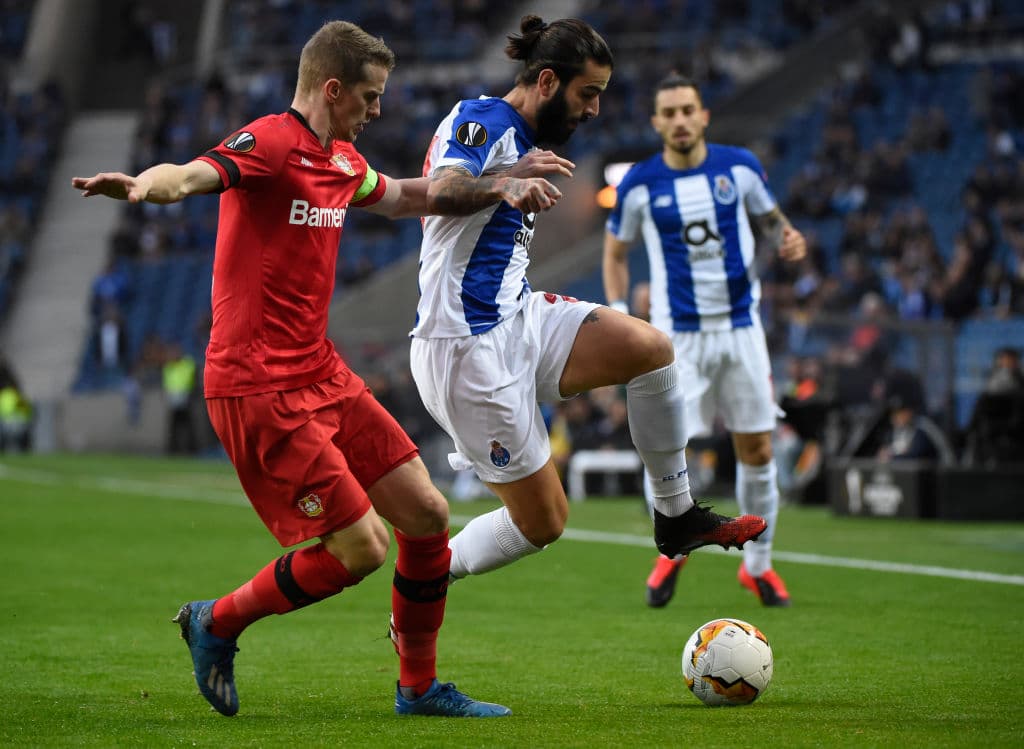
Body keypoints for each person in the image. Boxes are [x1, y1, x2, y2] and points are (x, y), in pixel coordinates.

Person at [72, 20, 566, 719]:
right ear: (332, 89)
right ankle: (216, 621)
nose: (378, 110)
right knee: (362, 546)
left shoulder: (339, 163)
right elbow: (191, 175)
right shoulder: (272, 142)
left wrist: (502, 181)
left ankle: (418, 688)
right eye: (369, 96)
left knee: (427, 514)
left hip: (318, 372)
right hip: (256, 384)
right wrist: (144, 186)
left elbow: (408, 196)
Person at [409, 17, 766, 593]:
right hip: (463, 346)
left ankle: (675, 518)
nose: (595, 110)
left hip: (517, 317)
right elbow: (442, 189)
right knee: (543, 523)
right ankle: (424, 579)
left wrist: (510, 180)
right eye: (588, 94)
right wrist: (504, 184)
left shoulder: (523, 138)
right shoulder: (482, 122)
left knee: (649, 349)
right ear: (547, 81)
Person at [602, 73, 807, 609]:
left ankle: (757, 567)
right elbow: (616, 253)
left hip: (741, 329)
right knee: (668, 453)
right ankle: (671, 552)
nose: (679, 121)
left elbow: (769, 217)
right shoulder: (639, 185)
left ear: (703, 115)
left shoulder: (738, 167)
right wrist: (622, 316)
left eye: (687, 110)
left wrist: (786, 234)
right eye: (668, 113)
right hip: (679, 341)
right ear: (656, 122)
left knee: (757, 448)